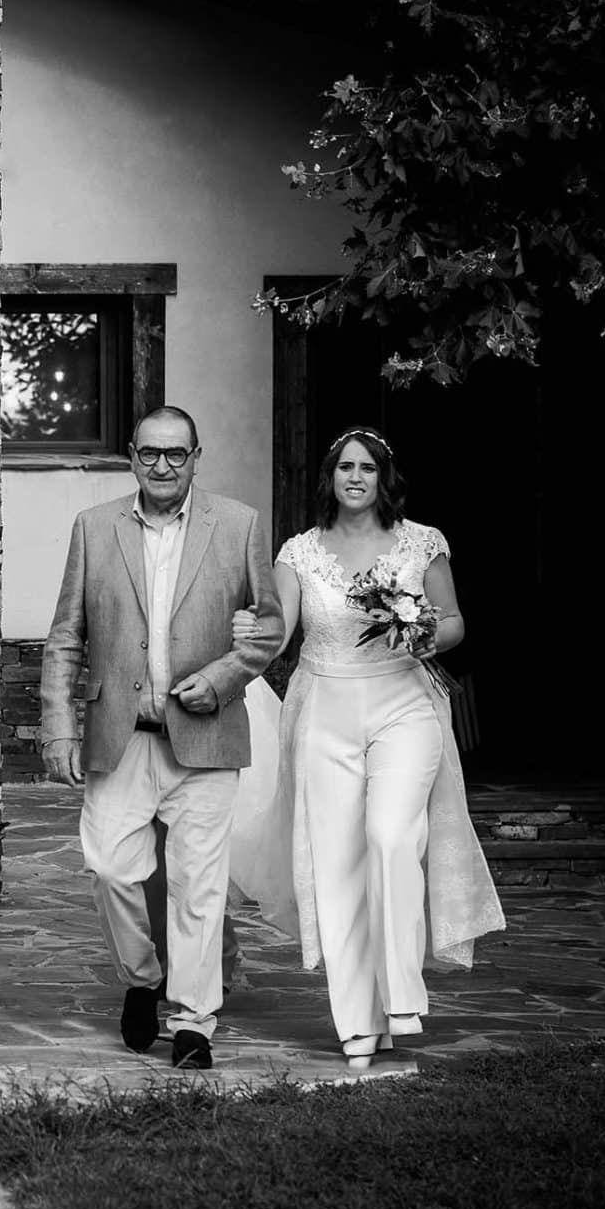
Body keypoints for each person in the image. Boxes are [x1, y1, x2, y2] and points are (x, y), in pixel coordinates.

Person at [230, 426, 505, 1065]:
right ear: (329, 478)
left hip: (404, 706)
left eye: (368, 468)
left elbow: (456, 620)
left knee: (389, 837)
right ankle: (357, 1019)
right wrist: (248, 628)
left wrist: (424, 633)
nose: (355, 477)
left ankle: (402, 994)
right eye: (344, 467)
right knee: (336, 863)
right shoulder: (299, 552)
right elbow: (280, 629)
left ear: (385, 478)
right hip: (323, 708)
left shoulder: (421, 542)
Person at [39, 406, 284, 1070]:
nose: (163, 465)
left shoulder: (238, 526)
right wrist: (58, 723)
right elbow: (66, 634)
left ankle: (193, 1023)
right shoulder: (94, 528)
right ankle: (143, 978)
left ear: (196, 456)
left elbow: (266, 628)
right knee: (112, 867)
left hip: (205, 735)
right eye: (150, 453)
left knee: (198, 884)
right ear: (131, 454)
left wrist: (225, 678)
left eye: (177, 453)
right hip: (122, 736)